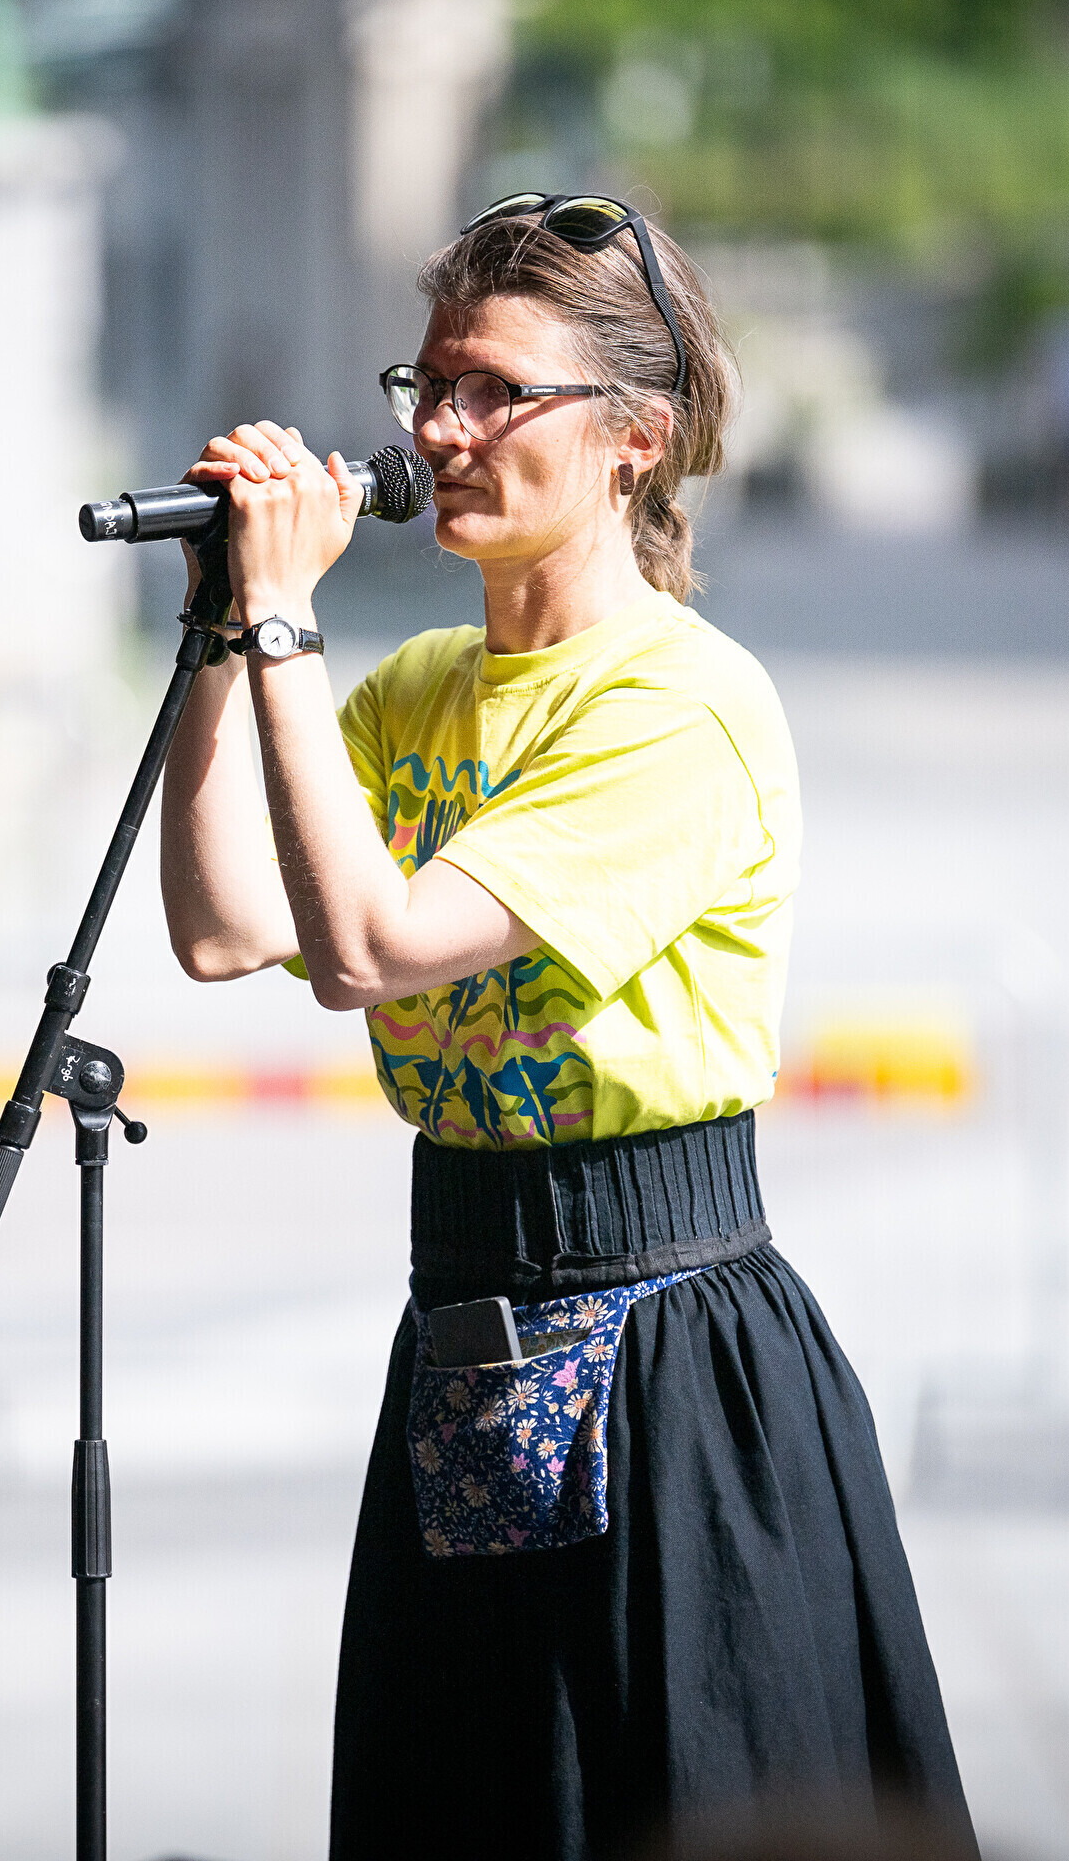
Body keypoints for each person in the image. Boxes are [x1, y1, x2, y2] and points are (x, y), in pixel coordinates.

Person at [158, 193, 970, 1859]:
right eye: (429, 386)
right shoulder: (417, 692)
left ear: (633, 441)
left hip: (671, 1351)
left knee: (680, 1807)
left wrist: (291, 622)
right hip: (466, 1323)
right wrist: (222, 637)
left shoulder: (681, 703)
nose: (440, 432)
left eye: (495, 393)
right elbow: (226, 927)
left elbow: (376, 949)